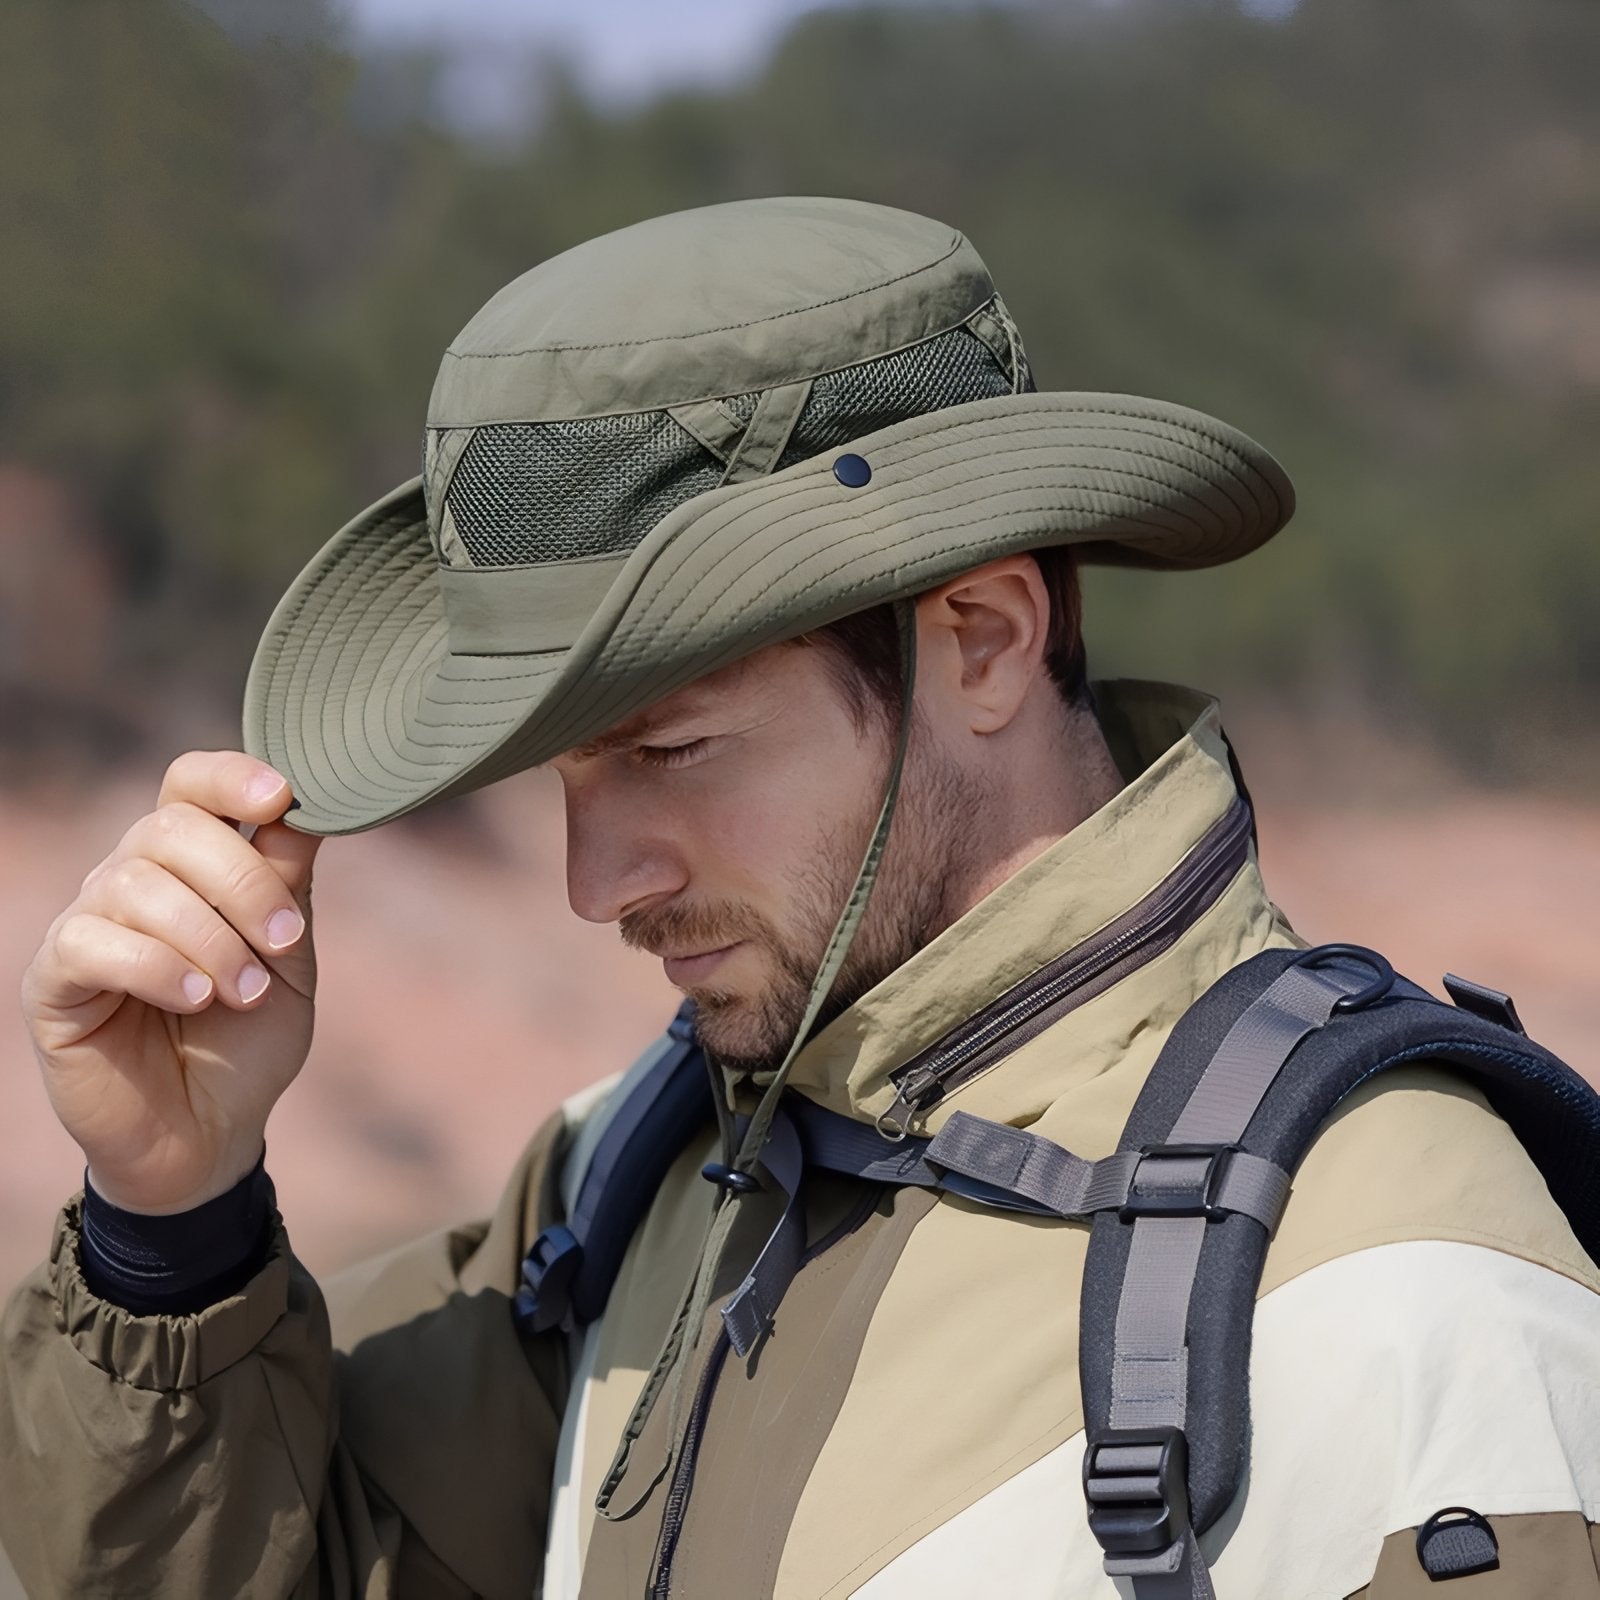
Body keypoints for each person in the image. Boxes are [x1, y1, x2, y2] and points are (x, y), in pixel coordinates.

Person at [3, 197, 1598, 1600]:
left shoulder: (1396, 1276)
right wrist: (174, 1221)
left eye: (673, 747)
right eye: (561, 774)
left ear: (980, 636)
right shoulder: (629, 1181)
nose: (590, 882)